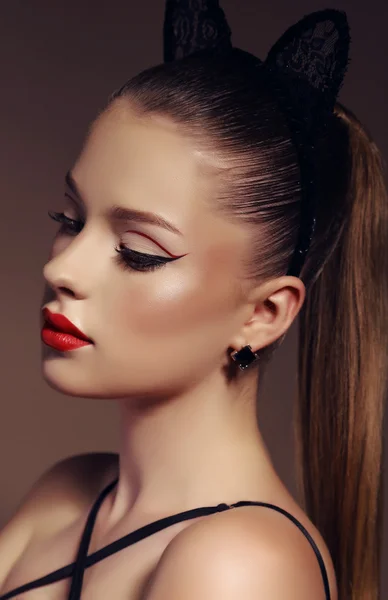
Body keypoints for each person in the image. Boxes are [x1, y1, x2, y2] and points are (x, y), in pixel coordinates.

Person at [0, 1, 386, 599]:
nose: (60, 267)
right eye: (70, 219)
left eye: (138, 251)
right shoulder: (66, 494)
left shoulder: (241, 566)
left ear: (264, 314)